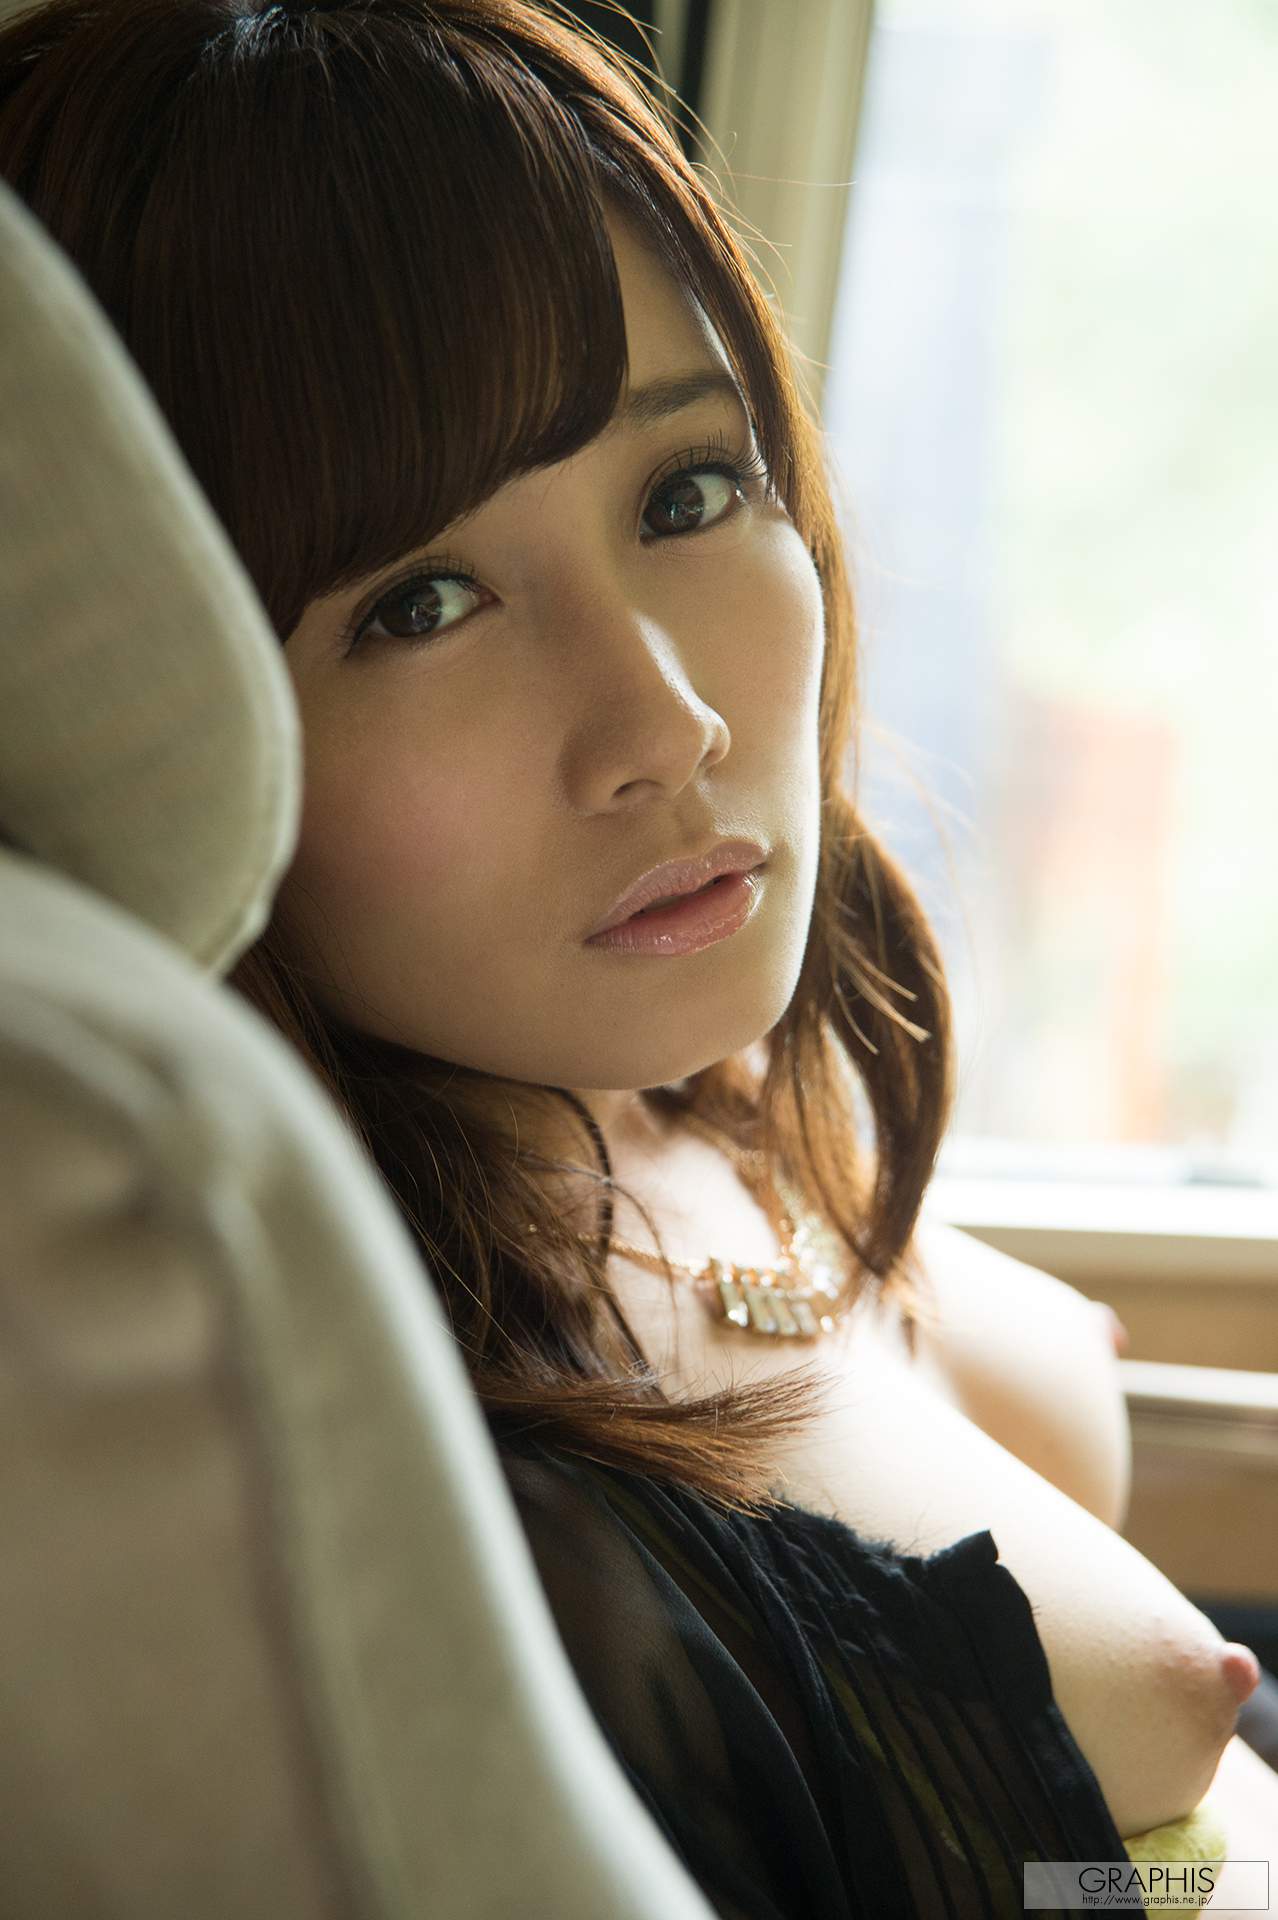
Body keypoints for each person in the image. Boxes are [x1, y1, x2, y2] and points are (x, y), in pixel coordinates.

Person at [2, 0, 1275, 1907]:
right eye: (421, 605)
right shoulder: (392, 1474)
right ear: (158, 719)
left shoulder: (647, 1078)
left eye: (688, 493)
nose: (665, 721)